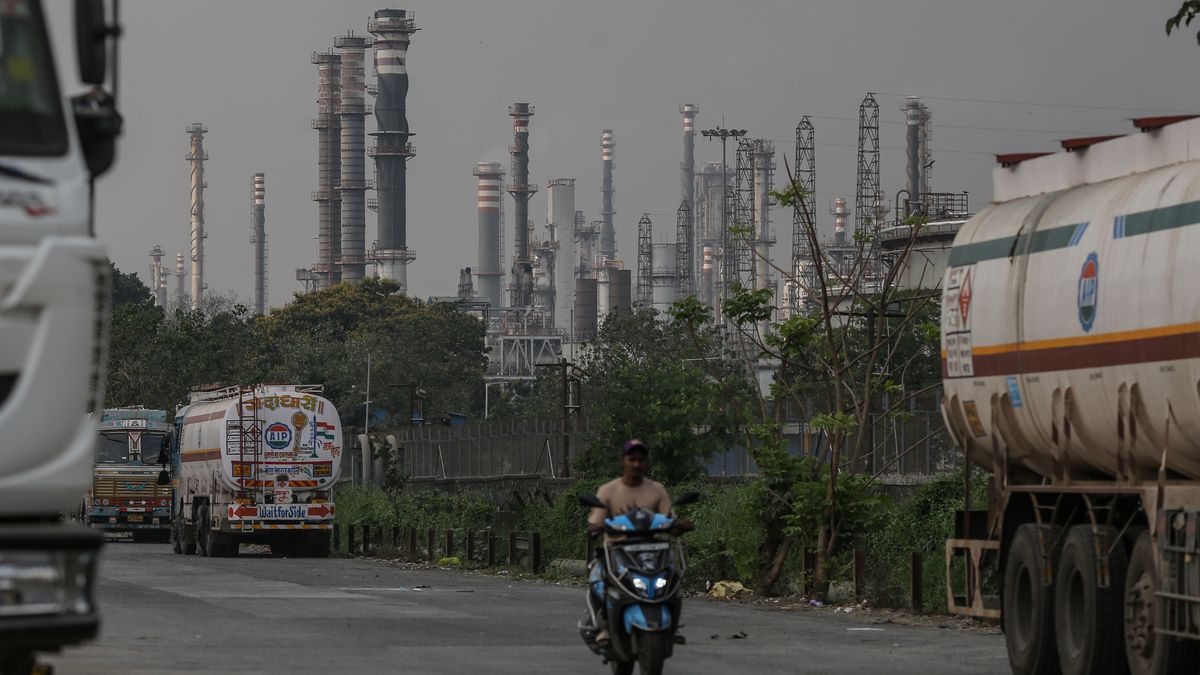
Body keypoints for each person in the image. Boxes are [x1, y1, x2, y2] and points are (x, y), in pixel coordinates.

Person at [585, 439, 692, 646]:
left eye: (640, 460)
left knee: (673, 579)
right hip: (616, 550)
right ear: (623, 461)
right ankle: (602, 626)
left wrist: (679, 525)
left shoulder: (656, 489)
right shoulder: (608, 491)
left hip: (651, 550)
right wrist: (596, 527)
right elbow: (595, 522)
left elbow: (669, 517)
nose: (636, 464)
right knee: (596, 581)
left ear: (646, 462)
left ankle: (672, 623)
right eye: (631, 459)